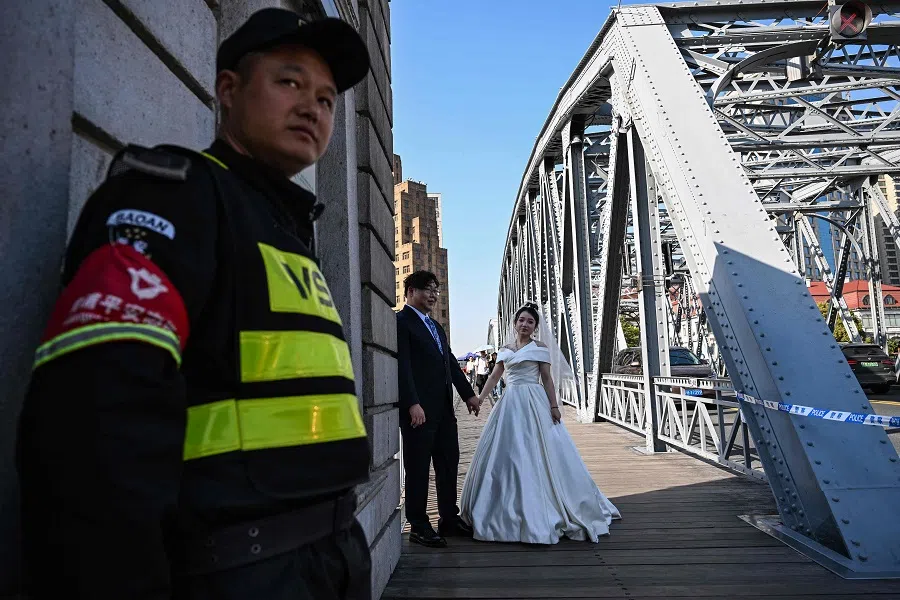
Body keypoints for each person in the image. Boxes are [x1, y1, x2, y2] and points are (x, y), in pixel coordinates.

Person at [16, 8, 374, 599]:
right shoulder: (176, 198)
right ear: (228, 90)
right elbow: (95, 417)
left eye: (327, 99)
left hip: (328, 559)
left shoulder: (281, 225)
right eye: (289, 82)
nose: (313, 108)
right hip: (240, 569)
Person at [459, 302, 621, 544]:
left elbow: (546, 379)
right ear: (515, 323)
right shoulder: (504, 349)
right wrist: (480, 399)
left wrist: (554, 406)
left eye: (530, 321)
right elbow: (494, 377)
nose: (525, 324)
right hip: (510, 401)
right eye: (521, 320)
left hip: (533, 401)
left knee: (539, 448)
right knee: (508, 450)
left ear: (535, 327)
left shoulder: (540, 348)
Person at [396, 271, 479, 548]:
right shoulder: (401, 322)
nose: (433, 295)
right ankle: (419, 524)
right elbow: (402, 365)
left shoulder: (435, 326)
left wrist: (468, 395)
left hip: (444, 410)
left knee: (448, 464)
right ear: (410, 291)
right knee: (418, 468)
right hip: (418, 412)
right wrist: (412, 403)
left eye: (436, 290)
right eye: (428, 289)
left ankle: (448, 519)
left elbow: (450, 364)